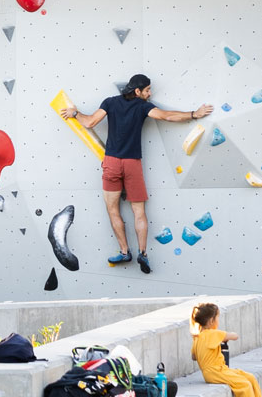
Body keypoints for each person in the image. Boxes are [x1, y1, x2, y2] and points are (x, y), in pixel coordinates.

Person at [58, 74, 211, 273]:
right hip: (133, 165)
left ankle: (124, 252)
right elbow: (166, 116)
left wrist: (74, 113)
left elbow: (89, 122)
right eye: (147, 90)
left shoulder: (110, 103)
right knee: (139, 212)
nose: (150, 93)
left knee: (113, 210)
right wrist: (194, 114)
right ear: (137, 91)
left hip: (112, 163)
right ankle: (143, 254)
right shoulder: (142, 107)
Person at [191, 302, 262, 397]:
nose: (218, 320)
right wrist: (221, 338)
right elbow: (234, 336)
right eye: (217, 317)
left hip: (218, 369)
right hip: (215, 371)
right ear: (211, 320)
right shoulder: (213, 334)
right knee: (244, 384)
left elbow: (194, 357)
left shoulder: (198, 338)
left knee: (250, 377)